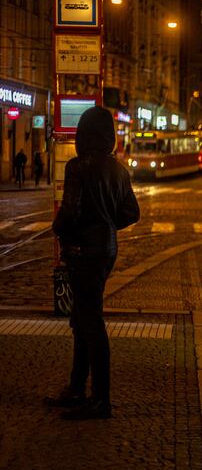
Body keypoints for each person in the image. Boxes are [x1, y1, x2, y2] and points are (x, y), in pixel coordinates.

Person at [47, 106, 140, 420]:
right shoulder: (118, 169)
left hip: (82, 251)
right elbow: (131, 213)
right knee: (84, 319)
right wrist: (105, 225)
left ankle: (99, 399)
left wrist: (60, 230)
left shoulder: (78, 166)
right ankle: (77, 388)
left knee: (90, 323)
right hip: (106, 250)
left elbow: (70, 212)